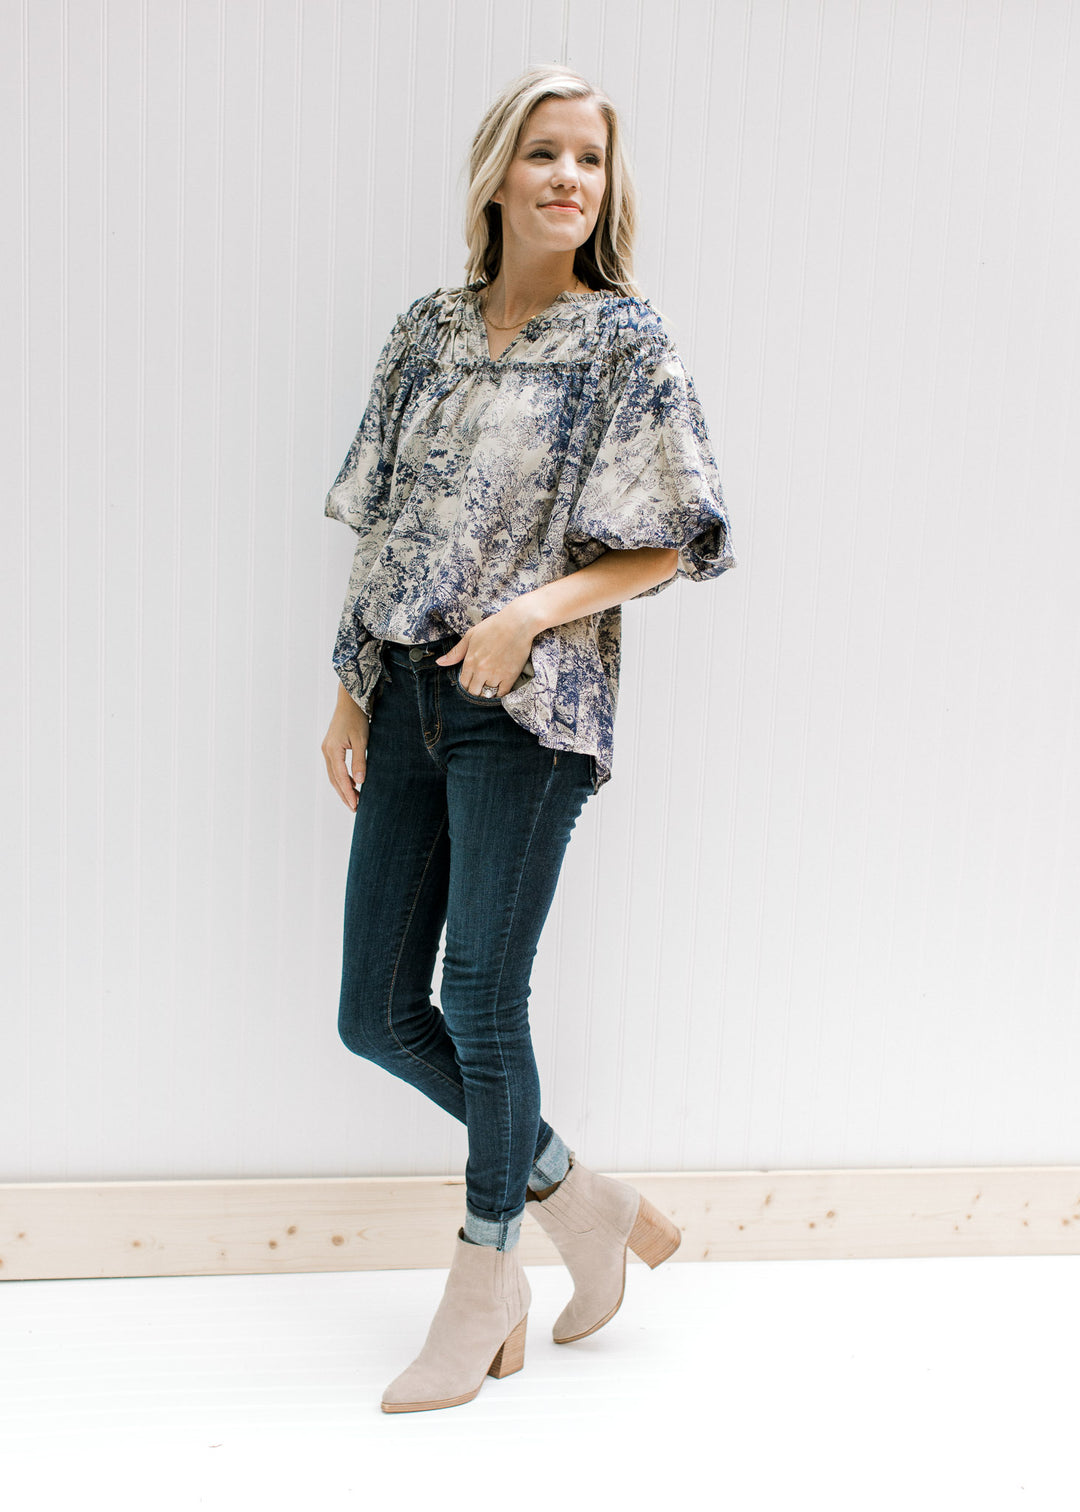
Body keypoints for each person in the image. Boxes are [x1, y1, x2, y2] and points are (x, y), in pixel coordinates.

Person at [320, 63, 736, 1414]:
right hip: (405, 698)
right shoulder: (426, 331)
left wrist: (528, 617)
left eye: (591, 162)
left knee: (484, 1001)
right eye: (545, 154)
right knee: (377, 1014)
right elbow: (382, 522)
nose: (569, 179)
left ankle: (487, 1275)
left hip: (532, 715)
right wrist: (345, 686)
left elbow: (674, 534)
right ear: (499, 172)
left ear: (609, 189)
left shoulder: (624, 340)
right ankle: (587, 1200)